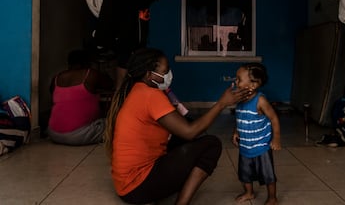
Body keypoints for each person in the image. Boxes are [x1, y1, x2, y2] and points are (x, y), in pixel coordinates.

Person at [104, 47, 252, 205]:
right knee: (211, 144)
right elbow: (190, 132)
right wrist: (221, 104)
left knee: (187, 138)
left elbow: (184, 128)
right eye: (165, 71)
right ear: (149, 74)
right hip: (137, 187)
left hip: (125, 186)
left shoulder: (137, 90)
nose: (169, 75)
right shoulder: (151, 95)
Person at [231, 62, 281, 205]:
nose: (236, 81)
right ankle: (249, 193)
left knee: (268, 175)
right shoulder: (239, 99)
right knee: (244, 174)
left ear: (253, 85)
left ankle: (272, 198)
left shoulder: (260, 100)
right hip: (245, 146)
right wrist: (236, 131)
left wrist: (276, 138)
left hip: (261, 146)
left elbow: (274, 118)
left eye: (239, 79)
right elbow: (239, 117)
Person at [48, 49, 114, 145]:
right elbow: (110, 84)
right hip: (78, 136)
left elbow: (54, 95)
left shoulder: (57, 78)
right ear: (87, 62)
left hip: (53, 133)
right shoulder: (90, 74)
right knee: (112, 124)